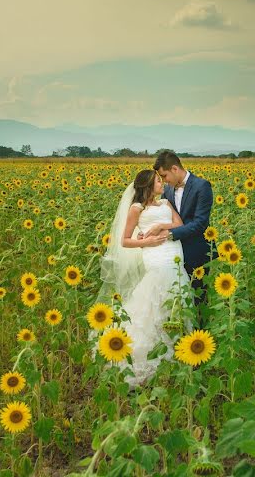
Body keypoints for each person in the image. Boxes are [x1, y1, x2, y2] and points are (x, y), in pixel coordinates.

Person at [98, 169, 193, 387]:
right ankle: (152, 355)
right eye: (158, 181)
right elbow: (125, 240)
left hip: (173, 251)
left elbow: (179, 226)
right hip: (156, 255)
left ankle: (179, 349)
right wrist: (146, 243)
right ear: (148, 185)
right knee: (158, 296)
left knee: (178, 292)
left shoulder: (166, 204)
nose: (162, 184)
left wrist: (161, 226)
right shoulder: (136, 208)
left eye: (162, 180)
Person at [144, 151, 214, 327]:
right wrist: (146, 232)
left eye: (165, 175)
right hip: (171, 253)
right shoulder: (167, 190)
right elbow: (163, 218)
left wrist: (170, 234)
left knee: (198, 298)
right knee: (173, 297)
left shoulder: (202, 186)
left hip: (196, 251)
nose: (164, 180)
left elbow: (200, 223)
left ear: (175, 169)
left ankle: (200, 338)